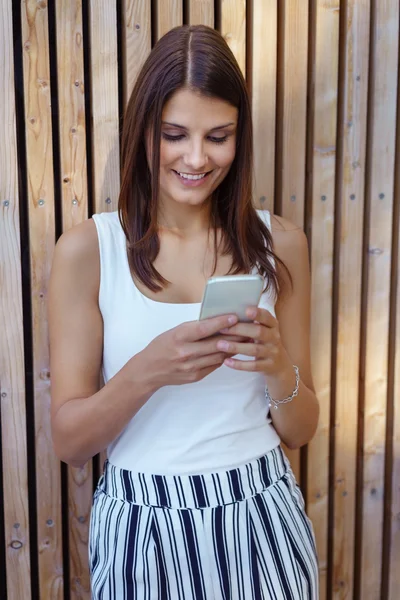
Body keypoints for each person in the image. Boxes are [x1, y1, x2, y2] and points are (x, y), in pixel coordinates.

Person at [49, 24, 319, 600]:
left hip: (261, 514)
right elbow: (70, 442)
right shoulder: (88, 252)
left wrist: (277, 367)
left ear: (239, 137)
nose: (196, 158)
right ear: (143, 130)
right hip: (140, 525)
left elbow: (300, 430)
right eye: (174, 134)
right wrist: (149, 370)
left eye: (218, 136)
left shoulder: (281, 244)